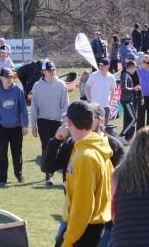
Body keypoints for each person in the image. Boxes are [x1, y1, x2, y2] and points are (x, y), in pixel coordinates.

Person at [54, 101, 114, 247]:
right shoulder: (92, 147)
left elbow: (83, 206)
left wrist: (68, 240)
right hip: (91, 229)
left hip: (84, 231)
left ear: (69, 123)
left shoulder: (86, 156)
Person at [42, 101, 124, 184]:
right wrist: (56, 140)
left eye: (89, 117)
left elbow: (122, 182)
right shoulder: (71, 143)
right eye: (80, 117)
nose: (83, 120)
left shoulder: (114, 147)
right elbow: (47, 167)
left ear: (101, 121)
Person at [30, 60, 69, 185]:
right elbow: (34, 106)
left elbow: (65, 106)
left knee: (59, 148)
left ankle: (61, 175)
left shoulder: (61, 85)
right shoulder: (37, 86)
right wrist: (33, 125)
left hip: (57, 122)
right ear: (43, 72)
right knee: (46, 147)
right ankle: (49, 175)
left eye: (53, 70)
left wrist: (65, 123)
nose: (52, 72)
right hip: (43, 121)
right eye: (49, 70)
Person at [0, 68, 29, 186]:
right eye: (7, 77)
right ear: (1, 78)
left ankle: (19, 174)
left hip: (17, 127)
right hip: (2, 126)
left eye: (11, 77)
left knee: (17, 152)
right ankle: (2, 179)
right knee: (3, 152)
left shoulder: (18, 90)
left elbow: (23, 108)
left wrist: (25, 125)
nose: (9, 79)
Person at [85, 58, 116, 125]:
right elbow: (86, 89)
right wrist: (90, 101)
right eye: (99, 65)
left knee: (104, 127)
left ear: (108, 66)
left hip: (106, 106)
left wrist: (110, 103)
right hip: (94, 106)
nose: (100, 67)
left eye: (103, 65)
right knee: (93, 126)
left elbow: (113, 90)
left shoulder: (111, 77)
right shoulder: (93, 75)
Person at [119, 61, 141, 143]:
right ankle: (121, 135)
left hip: (128, 100)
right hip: (126, 101)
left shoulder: (128, 75)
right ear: (131, 67)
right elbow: (124, 88)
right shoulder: (125, 75)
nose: (135, 70)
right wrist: (134, 88)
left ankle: (123, 136)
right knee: (134, 119)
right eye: (135, 68)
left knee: (131, 119)